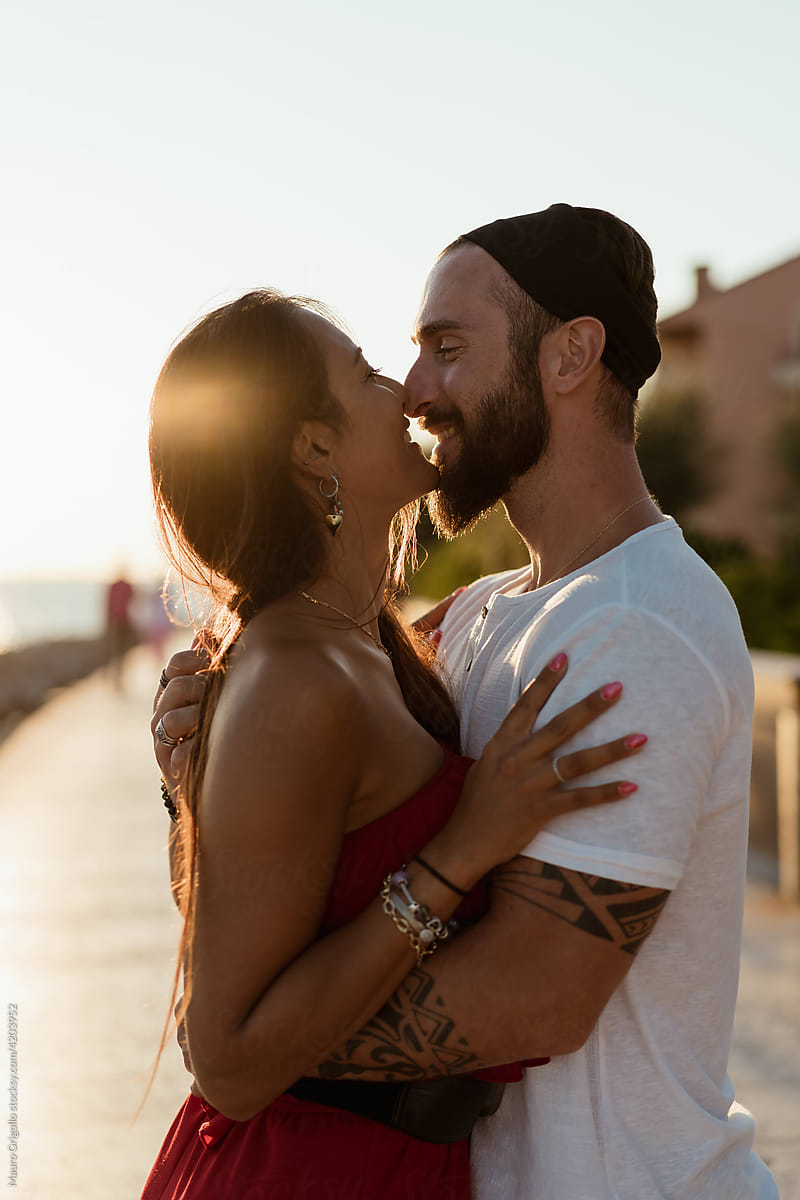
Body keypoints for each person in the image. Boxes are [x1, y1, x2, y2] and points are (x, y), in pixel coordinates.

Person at [155, 205, 777, 1198]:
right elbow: (298, 873)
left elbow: (534, 1000)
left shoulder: (636, 624)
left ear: (569, 355)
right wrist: (196, 786)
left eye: (447, 348)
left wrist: (249, 1045)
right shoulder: (470, 622)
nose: (414, 389)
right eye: (405, 357)